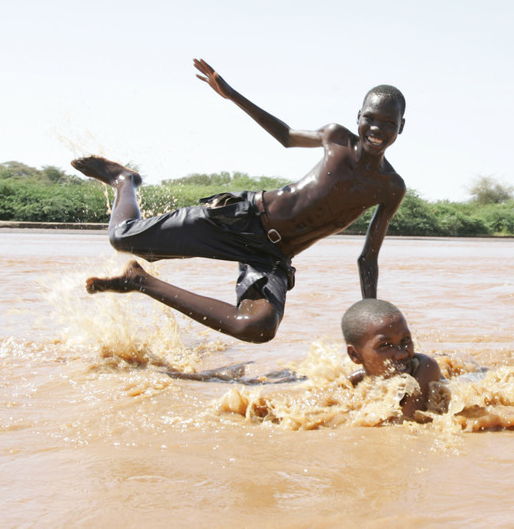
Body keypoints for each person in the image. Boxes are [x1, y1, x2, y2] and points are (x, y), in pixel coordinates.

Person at [72, 59, 407, 343]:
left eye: (388, 123)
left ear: (400, 128)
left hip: (272, 256)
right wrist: (232, 95)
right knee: (124, 238)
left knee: (257, 328)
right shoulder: (336, 138)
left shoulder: (390, 187)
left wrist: (372, 321)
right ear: (358, 116)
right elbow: (286, 136)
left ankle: (139, 281)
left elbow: (367, 258)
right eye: (371, 118)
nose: (377, 128)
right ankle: (124, 181)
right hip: (244, 218)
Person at [341, 298, 442, 418]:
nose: (402, 354)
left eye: (405, 340)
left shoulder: (427, 367)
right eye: (385, 346)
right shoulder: (359, 381)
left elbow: (404, 419)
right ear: (354, 355)